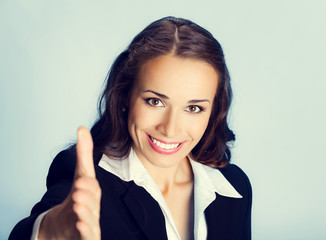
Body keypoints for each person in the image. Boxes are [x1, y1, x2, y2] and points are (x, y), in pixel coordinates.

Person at [9, 16, 252, 240]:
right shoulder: (83, 175)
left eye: (194, 108)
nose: (170, 128)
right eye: (155, 101)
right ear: (126, 95)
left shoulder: (235, 186)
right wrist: (50, 229)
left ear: (214, 111)